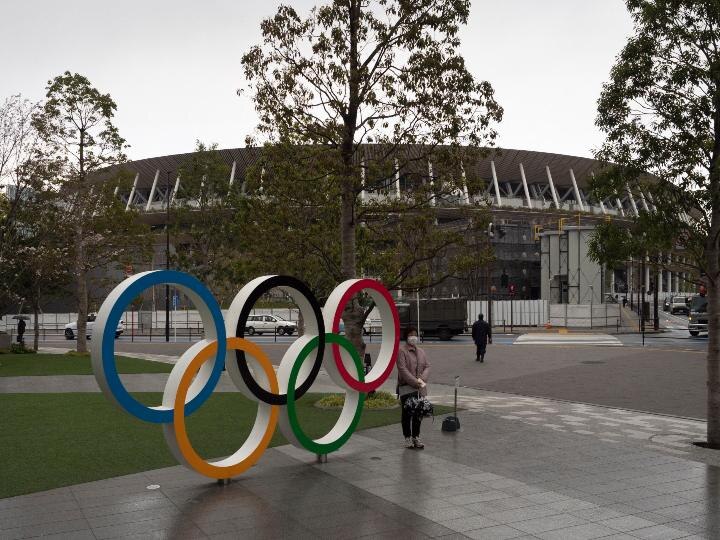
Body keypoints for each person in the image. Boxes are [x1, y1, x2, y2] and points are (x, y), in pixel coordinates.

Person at [396, 327, 430, 449]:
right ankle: (407, 438)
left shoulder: (421, 351)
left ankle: (416, 437)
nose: (413, 337)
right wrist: (415, 382)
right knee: (407, 413)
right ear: (406, 336)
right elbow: (402, 369)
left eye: (415, 334)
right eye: (411, 334)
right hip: (406, 388)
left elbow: (427, 366)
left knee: (418, 413)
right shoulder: (401, 351)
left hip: (419, 388)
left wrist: (422, 380)